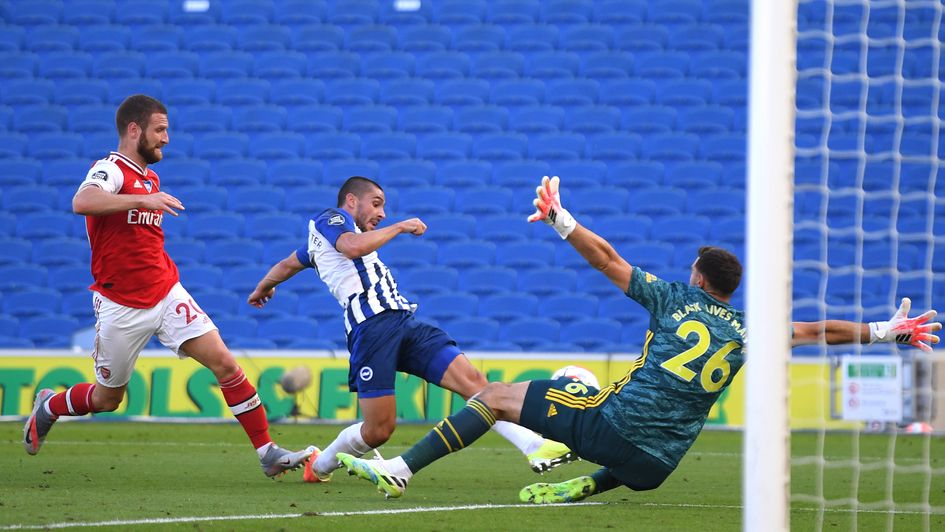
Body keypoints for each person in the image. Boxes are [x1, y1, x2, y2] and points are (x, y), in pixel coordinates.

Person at [336, 175, 942, 502]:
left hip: (613, 428)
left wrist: (561, 220)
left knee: (495, 397)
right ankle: (583, 484)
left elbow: (605, 258)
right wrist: (885, 329)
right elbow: (815, 331)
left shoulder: (675, 298)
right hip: (656, 468)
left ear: (699, 279)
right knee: (636, 430)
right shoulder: (747, 331)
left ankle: (402, 471)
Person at [22, 94, 314, 479]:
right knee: (107, 398)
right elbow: (83, 201)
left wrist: (147, 198)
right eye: (160, 130)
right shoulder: (110, 169)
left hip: (166, 291)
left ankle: (267, 452)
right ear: (133, 129)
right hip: (121, 303)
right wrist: (142, 199)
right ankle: (50, 407)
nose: (166, 139)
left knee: (225, 363)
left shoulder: (149, 178)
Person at [247, 176, 575, 483]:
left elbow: (289, 264)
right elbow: (352, 247)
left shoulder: (323, 244)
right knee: (379, 430)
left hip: (404, 322)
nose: (381, 212)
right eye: (375, 204)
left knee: (475, 384)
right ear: (351, 201)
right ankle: (320, 466)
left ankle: (533, 446)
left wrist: (263, 287)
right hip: (371, 329)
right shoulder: (330, 220)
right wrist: (400, 226)